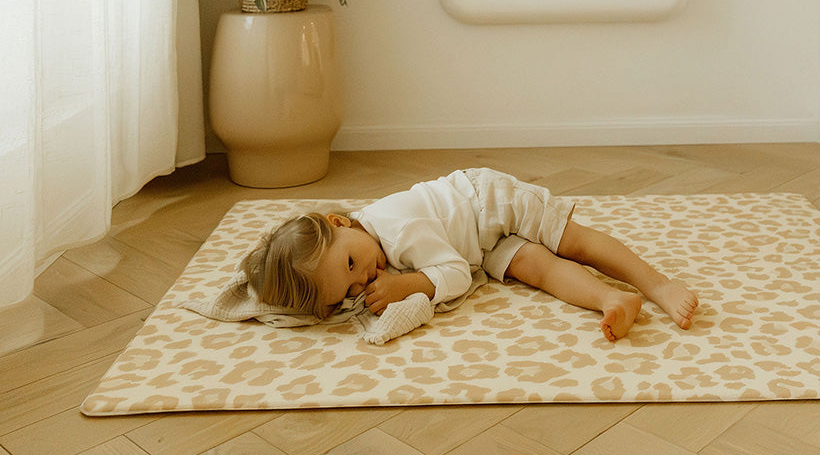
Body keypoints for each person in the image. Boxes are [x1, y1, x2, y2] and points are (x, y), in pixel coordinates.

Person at [243, 168, 699, 344]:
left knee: (572, 242)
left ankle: (657, 284)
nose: (365, 278)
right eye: (351, 289)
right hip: (477, 243)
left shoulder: (396, 228)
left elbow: (454, 274)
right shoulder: (358, 241)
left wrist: (412, 285)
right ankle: (610, 301)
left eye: (351, 265)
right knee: (540, 269)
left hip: (488, 202)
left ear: (339, 221)